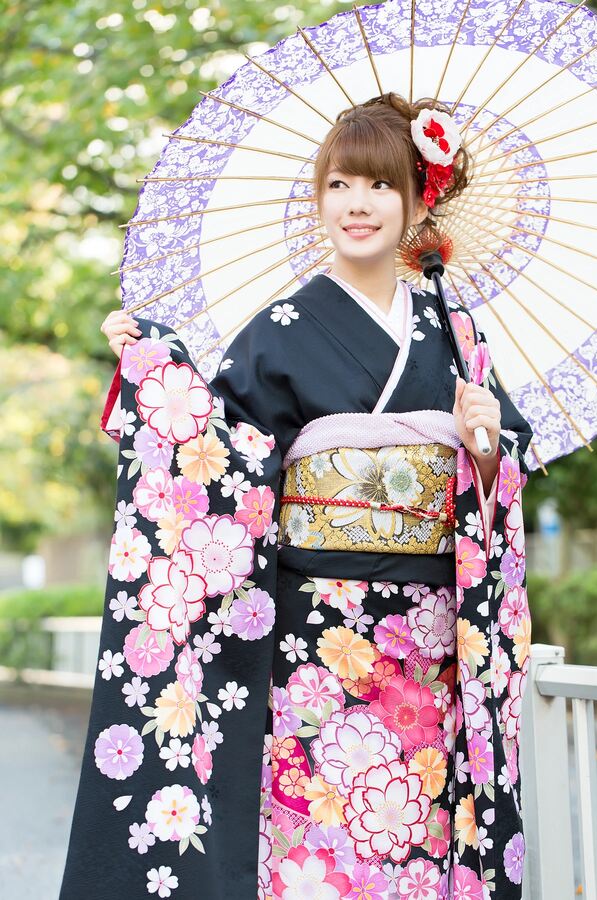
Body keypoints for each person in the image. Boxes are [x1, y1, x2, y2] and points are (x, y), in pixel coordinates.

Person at [60, 93, 533, 900]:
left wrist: (487, 446)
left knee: (419, 850)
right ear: (319, 197)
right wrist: (155, 372)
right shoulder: (279, 328)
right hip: (315, 644)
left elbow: (500, 478)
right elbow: (218, 462)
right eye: (342, 183)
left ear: (421, 199)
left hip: (429, 645)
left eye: (382, 186)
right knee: (318, 857)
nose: (359, 204)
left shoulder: (458, 334)